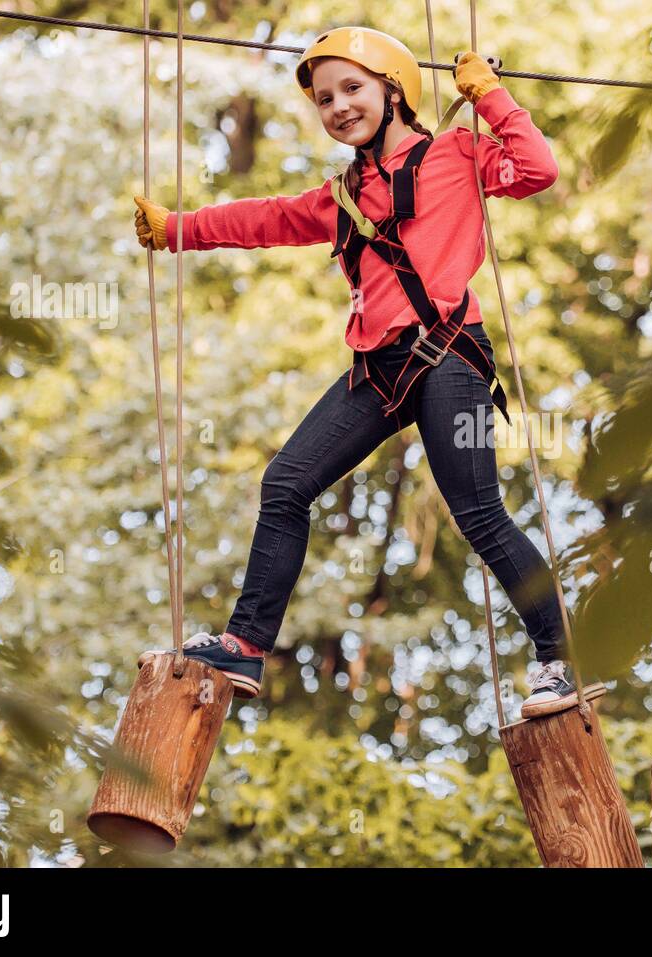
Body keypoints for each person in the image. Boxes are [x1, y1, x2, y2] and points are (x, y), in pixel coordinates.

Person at [133, 26, 578, 719]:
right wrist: (177, 229)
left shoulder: (456, 153)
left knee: (479, 512)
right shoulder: (342, 194)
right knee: (285, 482)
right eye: (324, 98)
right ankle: (245, 646)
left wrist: (490, 97)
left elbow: (537, 167)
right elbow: (265, 220)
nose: (337, 106)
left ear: (393, 90)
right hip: (378, 369)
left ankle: (559, 659)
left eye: (352, 89)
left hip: (448, 356)